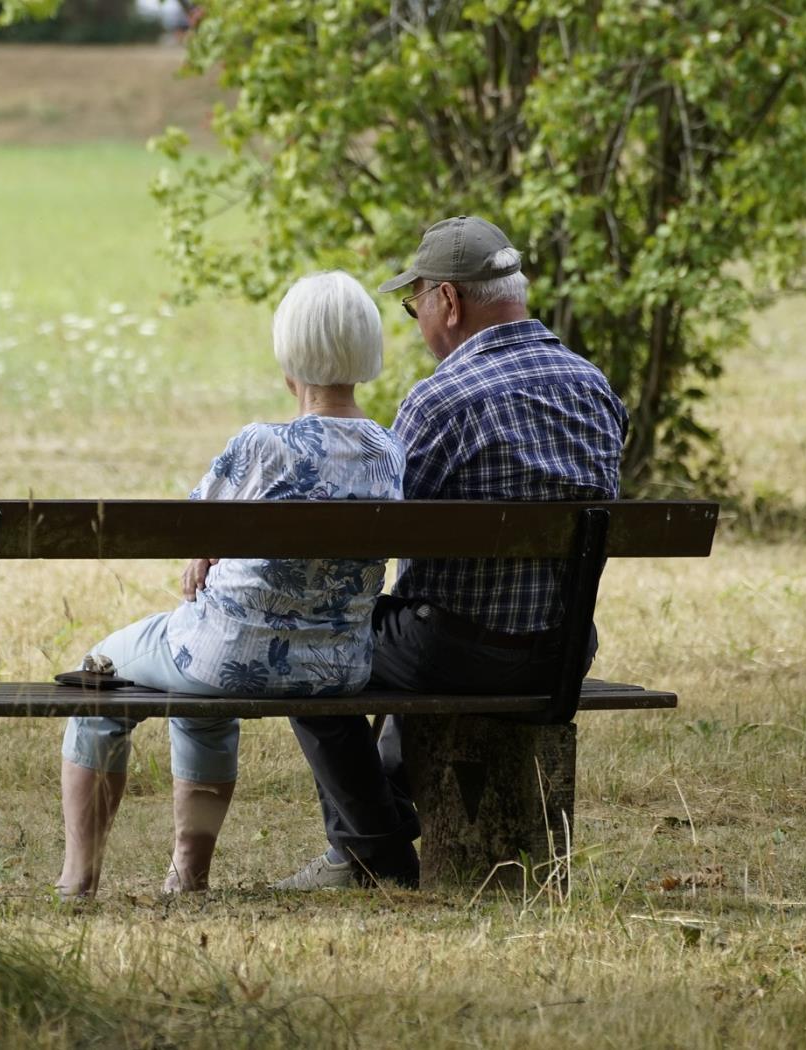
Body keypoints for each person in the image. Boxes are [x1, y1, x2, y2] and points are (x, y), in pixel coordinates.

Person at [273, 216, 629, 891]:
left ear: (448, 301)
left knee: (310, 647)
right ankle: (380, 827)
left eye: (414, 308)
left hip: (457, 653)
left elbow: (378, 534)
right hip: (562, 650)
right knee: (422, 622)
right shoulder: (595, 388)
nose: (417, 323)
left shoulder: (441, 401)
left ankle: (372, 852)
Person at [56, 270, 407, 898]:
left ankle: (78, 878)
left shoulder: (262, 446)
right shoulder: (390, 450)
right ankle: (187, 876)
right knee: (198, 690)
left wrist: (205, 550)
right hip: (337, 668)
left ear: (289, 354)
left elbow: (189, 527)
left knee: (99, 674)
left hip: (226, 657)